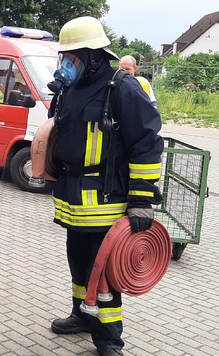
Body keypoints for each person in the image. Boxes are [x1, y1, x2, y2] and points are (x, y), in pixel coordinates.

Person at [45, 17, 163, 356]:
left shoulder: (122, 87)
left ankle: (109, 340)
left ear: (95, 55)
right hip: (73, 199)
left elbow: (147, 141)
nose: (66, 64)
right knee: (79, 263)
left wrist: (141, 197)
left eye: (73, 56)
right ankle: (81, 314)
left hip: (105, 198)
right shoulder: (71, 87)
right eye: (64, 57)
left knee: (104, 273)